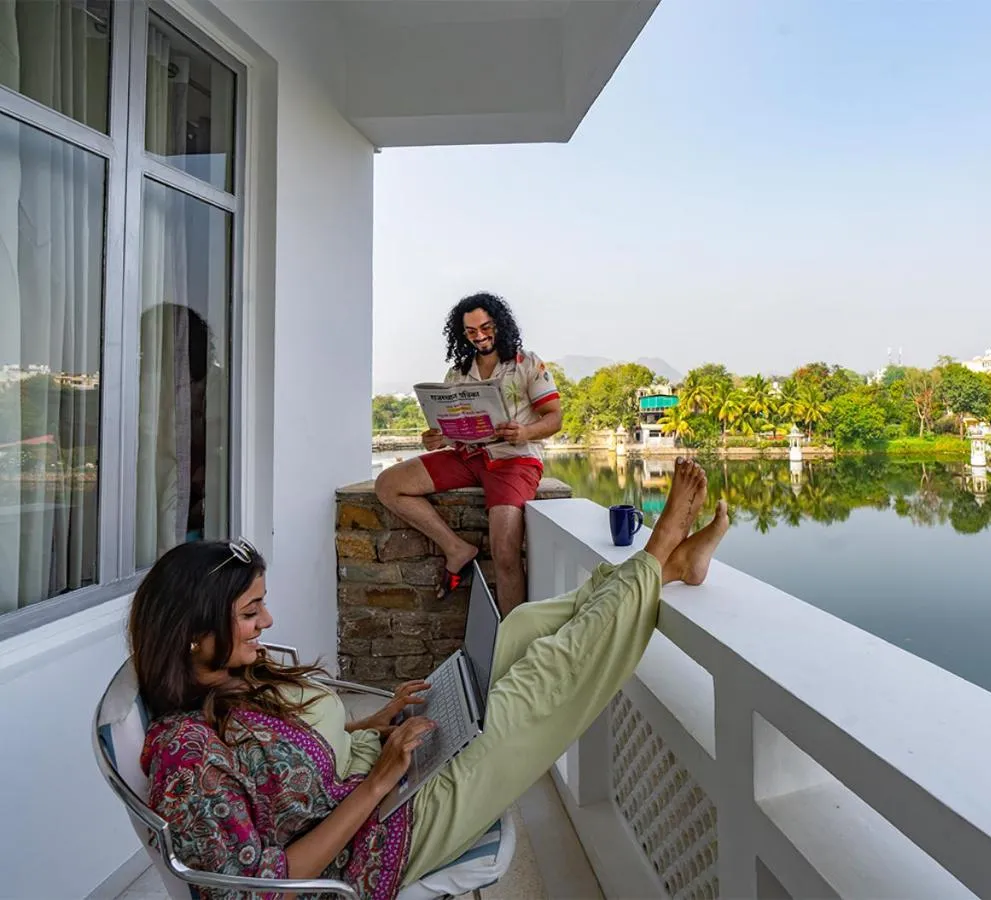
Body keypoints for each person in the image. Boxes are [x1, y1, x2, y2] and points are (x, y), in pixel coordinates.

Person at [133, 460, 728, 899]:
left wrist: (379, 721)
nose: (267, 621)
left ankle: (663, 569)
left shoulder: (232, 677)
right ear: (193, 631)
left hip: (380, 768)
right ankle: (657, 557)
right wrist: (377, 783)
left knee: (519, 629)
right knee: (540, 683)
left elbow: (297, 753)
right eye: (248, 612)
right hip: (380, 835)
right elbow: (256, 890)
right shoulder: (186, 758)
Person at [375, 292, 561, 616]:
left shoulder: (528, 363)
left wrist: (526, 432)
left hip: (513, 459)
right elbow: (454, 428)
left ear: (499, 324)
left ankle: (512, 648)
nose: (481, 336)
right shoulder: (458, 373)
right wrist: (437, 438)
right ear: (463, 334)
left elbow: (555, 418)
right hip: (467, 455)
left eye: (486, 327)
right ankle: (456, 548)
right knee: (387, 484)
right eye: (472, 331)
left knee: (505, 553)